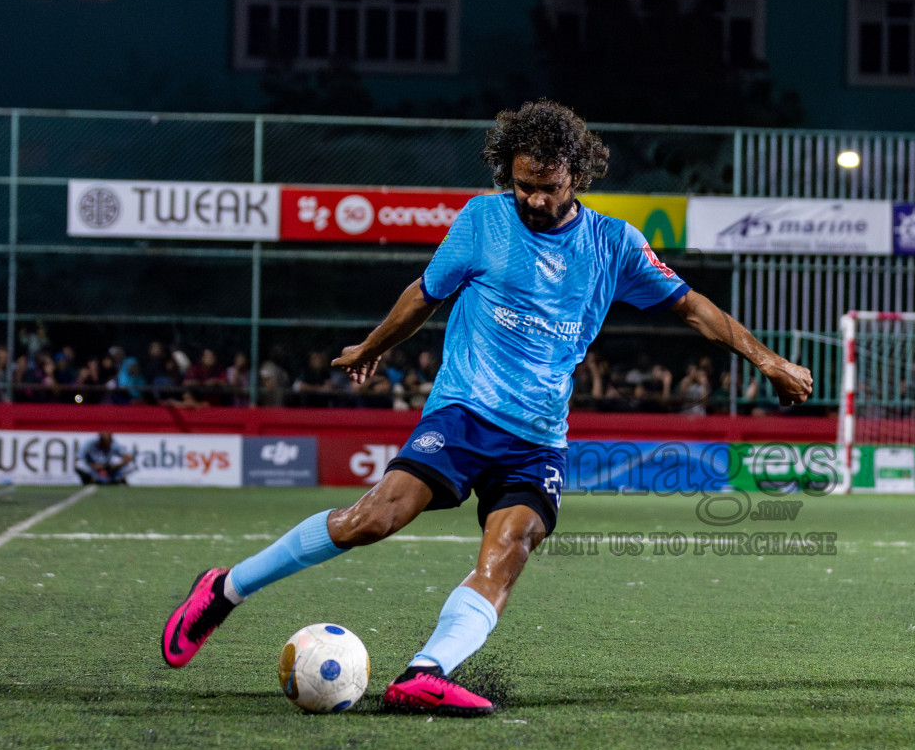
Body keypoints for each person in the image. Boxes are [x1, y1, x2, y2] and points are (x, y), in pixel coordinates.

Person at [160, 99, 813, 714]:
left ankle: (424, 674)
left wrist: (768, 360)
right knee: (374, 518)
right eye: (523, 182)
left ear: (576, 178)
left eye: (548, 186)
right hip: (464, 411)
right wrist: (374, 346)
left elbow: (692, 306)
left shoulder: (614, 244)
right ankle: (224, 590)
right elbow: (426, 292)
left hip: (538, 438)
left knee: (512, 546)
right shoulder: (483, 219)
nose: (533, 197)